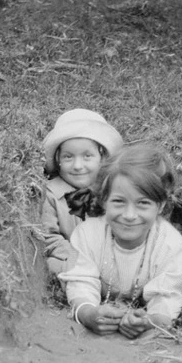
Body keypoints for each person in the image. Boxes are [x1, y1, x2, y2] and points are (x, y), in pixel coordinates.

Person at [59, 141, 182, 339]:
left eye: (143, 203)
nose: (130, 215)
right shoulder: (88, 234)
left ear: (161, 205)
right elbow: (81, 282)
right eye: (119, 202)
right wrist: (88, 314)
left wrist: (151, 321)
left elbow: (167, 297)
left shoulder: (170, 246)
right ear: (104, 200)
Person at [40, 109, 123, 275]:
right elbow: (48, 236)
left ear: (102, 158)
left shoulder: (113, 190)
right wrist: (73, 256)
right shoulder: (52, 193)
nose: (78, 166)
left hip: (110, 259)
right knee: (53, 265)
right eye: (68, 157)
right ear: (58, 160)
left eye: (87, 156)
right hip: (72, 261)